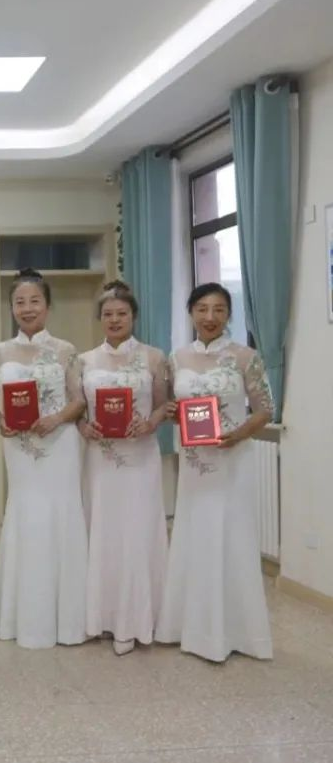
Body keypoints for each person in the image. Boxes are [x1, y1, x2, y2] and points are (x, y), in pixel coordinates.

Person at [155, 283, 274, 662]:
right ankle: (189, 627)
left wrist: (237, 434)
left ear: (228, 314)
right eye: (202, 309)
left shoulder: (245, 357)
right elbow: (176, 407)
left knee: (231, 534)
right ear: (191, 312)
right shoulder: (177, 358)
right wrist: (172, 413)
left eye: (219, 310)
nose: (210, 317)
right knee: (196, 534)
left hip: (232, 458)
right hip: (195, 463)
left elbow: (265, 409)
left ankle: (236, 632)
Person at [0, 268, 88, 649]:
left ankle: (67, 620)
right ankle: (23, 615)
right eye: (19, 302)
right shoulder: (0, 352)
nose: (27, 308)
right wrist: (1, 420)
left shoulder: (66, 350)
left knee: (60, 514)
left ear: (47, 305)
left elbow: (79, 399)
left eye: (35, 301)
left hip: (58, 442)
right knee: (26, 514)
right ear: (11, 307)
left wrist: (56, 419)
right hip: (20, 446)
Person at [78, 282, 170, 656]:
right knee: (104, 530)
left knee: (137, 531)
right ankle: (102, 616)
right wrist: (84, 427)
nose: (115, 319)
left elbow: (164, 405)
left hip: (140, 456)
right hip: (100, 459)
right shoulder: (84, 361)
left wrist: (150, 423)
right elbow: (79, 410)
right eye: (108, 314)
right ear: (99, 318)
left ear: (134, 316)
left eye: (122, 313)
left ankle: (138, 619)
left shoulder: (154, 357)